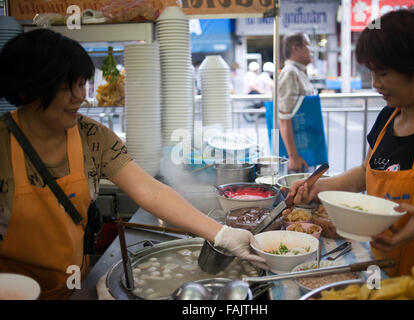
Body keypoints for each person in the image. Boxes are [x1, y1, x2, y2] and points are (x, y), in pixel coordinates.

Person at [0, 29, 267, 300]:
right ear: (26, 88)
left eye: (82, 84)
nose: (80, 96)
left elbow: (149, 190)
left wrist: (223, 234)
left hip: (71, 287)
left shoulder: (92, 136)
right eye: (66, 86)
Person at [285, 7, 414, 291]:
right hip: (381, 269)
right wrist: (321, 187)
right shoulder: (388, 116)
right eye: (372, 72)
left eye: (383, 73)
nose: (375, 84)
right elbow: (367, 170)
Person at [278, 32, 316, 173]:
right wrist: (293, 156)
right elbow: (283, 116)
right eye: (308, 44)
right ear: (295, 48)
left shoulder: (299, 71)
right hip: (297, 154)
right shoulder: (290, 72)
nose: (311, 49)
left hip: (306, 147)